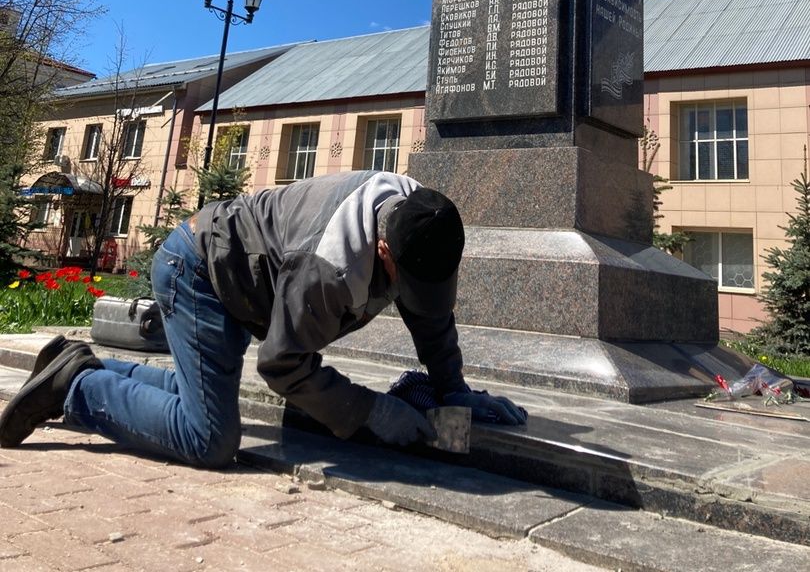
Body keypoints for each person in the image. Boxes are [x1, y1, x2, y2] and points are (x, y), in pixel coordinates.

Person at [0, 171, 526, 466]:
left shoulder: (419, 215)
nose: (409, 294)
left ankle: (78, 364)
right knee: (209, 438)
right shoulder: (329, 266)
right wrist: (370, 411)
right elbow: (283, 365)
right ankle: (76, 390)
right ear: (384, 248)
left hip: (238, 273)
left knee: (200, 398)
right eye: (403, 278)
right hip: (199, 272)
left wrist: (454, 390)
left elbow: (430, 317)